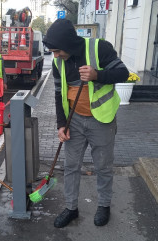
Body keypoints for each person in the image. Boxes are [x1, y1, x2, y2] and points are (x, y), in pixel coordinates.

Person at [43, 19, 129, 228]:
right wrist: (61, 125)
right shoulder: (58, 63)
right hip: (75, 121)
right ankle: (71, 208)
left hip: (102, 121)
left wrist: (97, 75)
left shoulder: (100, 48)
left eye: (57, 50)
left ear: (68, 44)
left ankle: (104, 206)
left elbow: (123, 73)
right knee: (71, 166)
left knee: (103, 166)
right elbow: (58, 94)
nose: (55, 55)